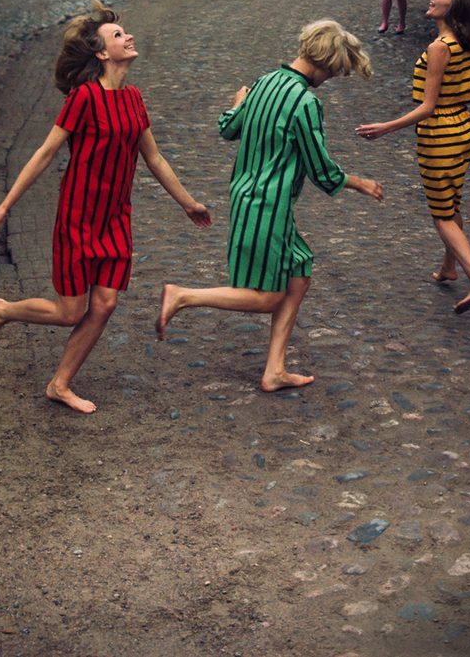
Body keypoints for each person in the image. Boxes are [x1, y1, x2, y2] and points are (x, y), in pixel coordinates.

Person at [0, 2, 211, 414]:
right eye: (118, 36)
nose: (128, 37)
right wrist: (5, 205)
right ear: (102, 53)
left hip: (116, 218)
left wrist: (188, 203)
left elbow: (154, 159)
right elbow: (46, 153)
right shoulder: (83, 98)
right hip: (79, 218)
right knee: (70, 312)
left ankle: (60, 384)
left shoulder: (135, 98)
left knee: (104, 304)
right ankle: (4, 310)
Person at [156, 20, 384, 391]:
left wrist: (237, 105)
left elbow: (228, 128)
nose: (329, 79)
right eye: (334, 72)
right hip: (268, 205)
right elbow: (321, 171)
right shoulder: (306, 103)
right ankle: (183, 295)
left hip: (248, 196)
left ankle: (274, 370)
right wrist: (360, 183)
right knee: (267, 297)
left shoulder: (264, 82)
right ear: (325, 62)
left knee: (299, 272)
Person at [357, 0, 470, 314]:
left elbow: (428, 107)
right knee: (451, 204)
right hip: (463, 130)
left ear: (453, 8)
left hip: (441, 135)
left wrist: (386, 127)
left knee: (441, 216)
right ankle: (449, 267)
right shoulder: (461, 45)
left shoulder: (439, 48)